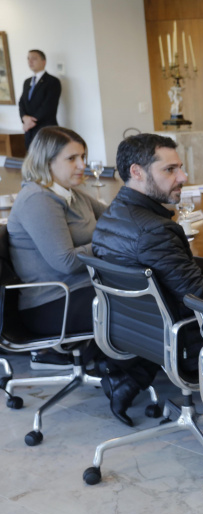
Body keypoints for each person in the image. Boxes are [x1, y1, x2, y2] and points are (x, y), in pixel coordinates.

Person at [6, 126, 146, 425]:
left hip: (83, 289)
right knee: (143, 303)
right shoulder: (37, 199)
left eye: (83, 156)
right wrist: (108, 240)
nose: (82, 164)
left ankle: (123, 373)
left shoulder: (73, 194)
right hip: (52, 301)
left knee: (150, 292)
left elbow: (119, 218)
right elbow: (67, 262)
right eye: (72, 158)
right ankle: (124, 375)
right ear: (47, 162)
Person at [92, 134, 203, 425]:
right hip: (179, 339)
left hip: (135, 333)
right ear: (137, 172)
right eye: (170, 169)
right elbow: (199, 296)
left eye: (180, 167)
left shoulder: (110, 215)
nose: (183, 177)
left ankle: (130, 379)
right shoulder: (155, 230)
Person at [18, 50, 61, 150]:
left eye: (34, 58)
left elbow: (48, 106)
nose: (30, 61)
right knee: (31, 157)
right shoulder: (27, 82)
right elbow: (21, 103)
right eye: (28, 58)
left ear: (43, 62)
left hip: (46, 129)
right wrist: (24, 118)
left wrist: (30, 122)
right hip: (29, 131)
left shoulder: (52, 81)